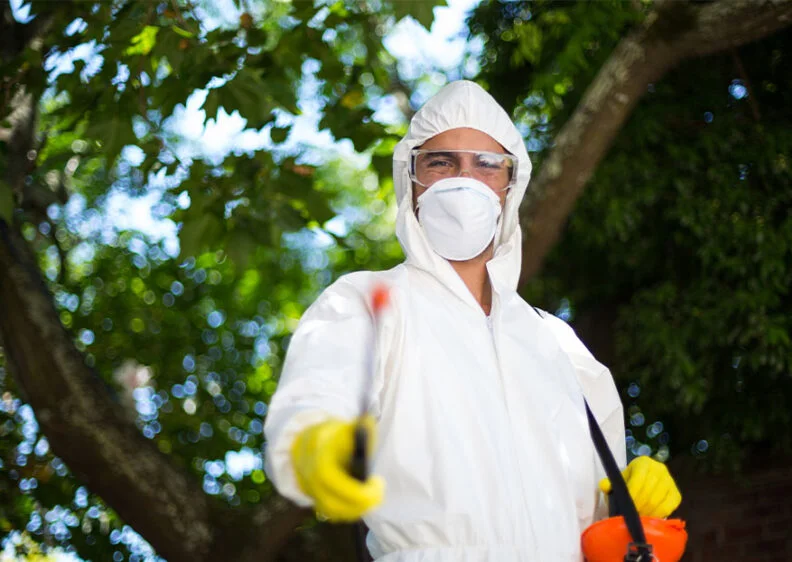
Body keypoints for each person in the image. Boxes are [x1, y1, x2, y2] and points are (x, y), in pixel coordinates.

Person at [264, 80, 681, 562]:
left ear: (510, 185)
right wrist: (313, 440)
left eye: (486, 164)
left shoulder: (556, 341)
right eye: (441, 162)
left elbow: (604, 520)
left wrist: (630, 500)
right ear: (411, 180)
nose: (464, 180)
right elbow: (316, 396)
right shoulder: (368, 302)